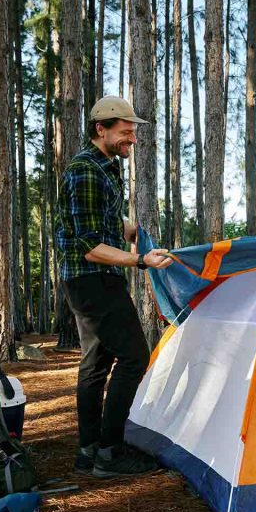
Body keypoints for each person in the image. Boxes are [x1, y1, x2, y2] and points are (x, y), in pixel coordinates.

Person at [55, 96, 174, 478]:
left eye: (133, 133)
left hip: (92, 280)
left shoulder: (105, 168)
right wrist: (140, 260)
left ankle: (89, 450)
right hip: (93, 280)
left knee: (96, 363)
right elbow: (91, 248)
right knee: (135, 357)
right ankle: (111, 452)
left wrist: (137, 232)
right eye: (125, 133)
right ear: (100, 129)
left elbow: (104, 222)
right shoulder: (85, 171)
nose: (132, 140)